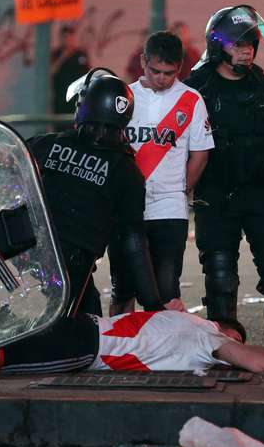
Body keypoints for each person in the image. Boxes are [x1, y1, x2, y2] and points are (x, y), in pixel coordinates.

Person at [185, 4, 264, 367]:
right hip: (216, 194)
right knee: (221, 274)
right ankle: (227, 355)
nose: (246, 50)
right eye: (239, 44)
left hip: (260, 191)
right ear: (218, 46)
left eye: (251, 43)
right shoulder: (198, 88)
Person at [26, 69, 169, 317]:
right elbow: (133, 243)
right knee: (85, 331)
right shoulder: (126, 172)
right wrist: (153, 303)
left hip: (27, 256)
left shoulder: (48, 144)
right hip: (74, 269)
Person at [110, 31, 213, 314]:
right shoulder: (124, 98)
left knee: (167, 291)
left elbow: (200, 153)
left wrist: (180, 190)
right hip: (127, 207)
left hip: (170, 208)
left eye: (169, 72)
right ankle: (121, 353)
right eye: (155, 71)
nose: (161, 78)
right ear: (143, 61)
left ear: (179, 67)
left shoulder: (192, 100)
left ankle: (162, 355)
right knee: (123, 288)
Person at [0, 310, 264, 376]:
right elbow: (263, 365)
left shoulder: (176, 316)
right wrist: (233, 347)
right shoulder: (207, 336)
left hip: (75, 322)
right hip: (84, 347)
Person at [50, 25, 90, 115]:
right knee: (60, 124)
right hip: (61, 98)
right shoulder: (56, 54)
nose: (68, 41)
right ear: (61, 39)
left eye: (70, 38)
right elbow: (52, 72)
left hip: (78, 97)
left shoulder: (80, 54)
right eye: (65, 38)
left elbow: (88, 74)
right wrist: (63, 57)